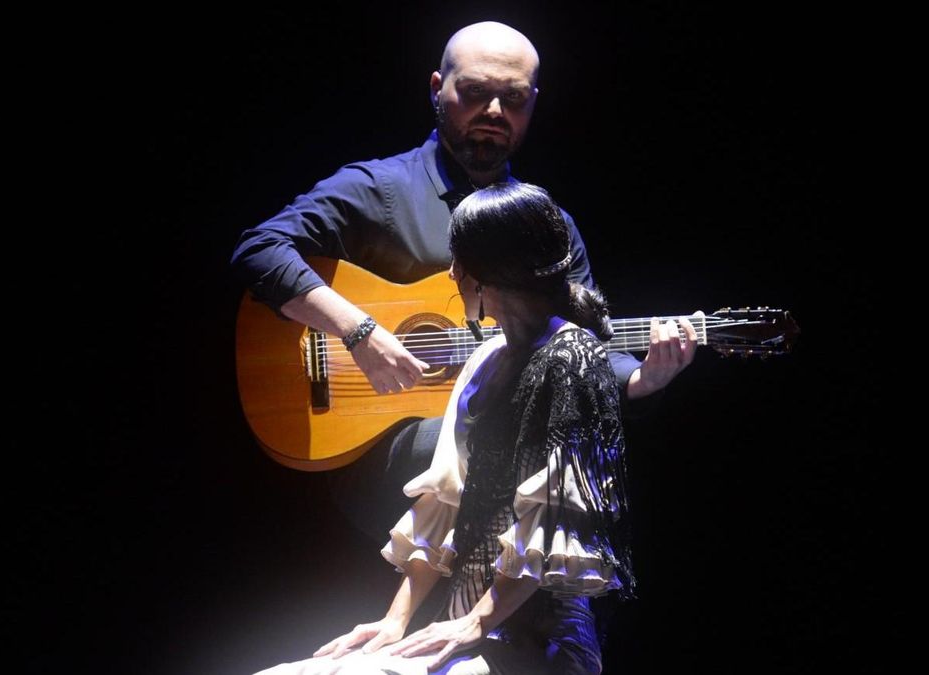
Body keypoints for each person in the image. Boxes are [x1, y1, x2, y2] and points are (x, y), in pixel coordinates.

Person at [230, 21, 695, 541]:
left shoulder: (550, 227)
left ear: (533, 103)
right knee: (500, 438)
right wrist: (359, 332)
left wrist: (642, 381)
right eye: (475, 93)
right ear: (438, 89)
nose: (495, 112)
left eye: (514, 98)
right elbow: (259, 250)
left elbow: (586, 341)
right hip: (387, 452)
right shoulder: (380, 189)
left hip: (487, 456)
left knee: (548, 443)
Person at [258, 182, 689, 675]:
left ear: (489, 275)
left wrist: (476, 624)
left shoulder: (572, 358)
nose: (451, 273)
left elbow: (552, 523)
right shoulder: (486, 356)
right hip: (471, 619)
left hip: (535, 636)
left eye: (458, 261)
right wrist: (396, 621)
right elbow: (447, 501)